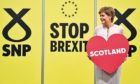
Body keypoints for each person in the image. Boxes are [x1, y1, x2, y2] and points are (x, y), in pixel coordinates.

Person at [94, 7, 124, 84]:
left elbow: (123, 45)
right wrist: (92, 55)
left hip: (115, 64)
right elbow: (94, 45)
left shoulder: (119, 29)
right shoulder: (97, 29)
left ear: (110, 16)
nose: (101, 18)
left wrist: (124, 56)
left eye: (103, 15)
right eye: (100, 16)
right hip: (101, 64)